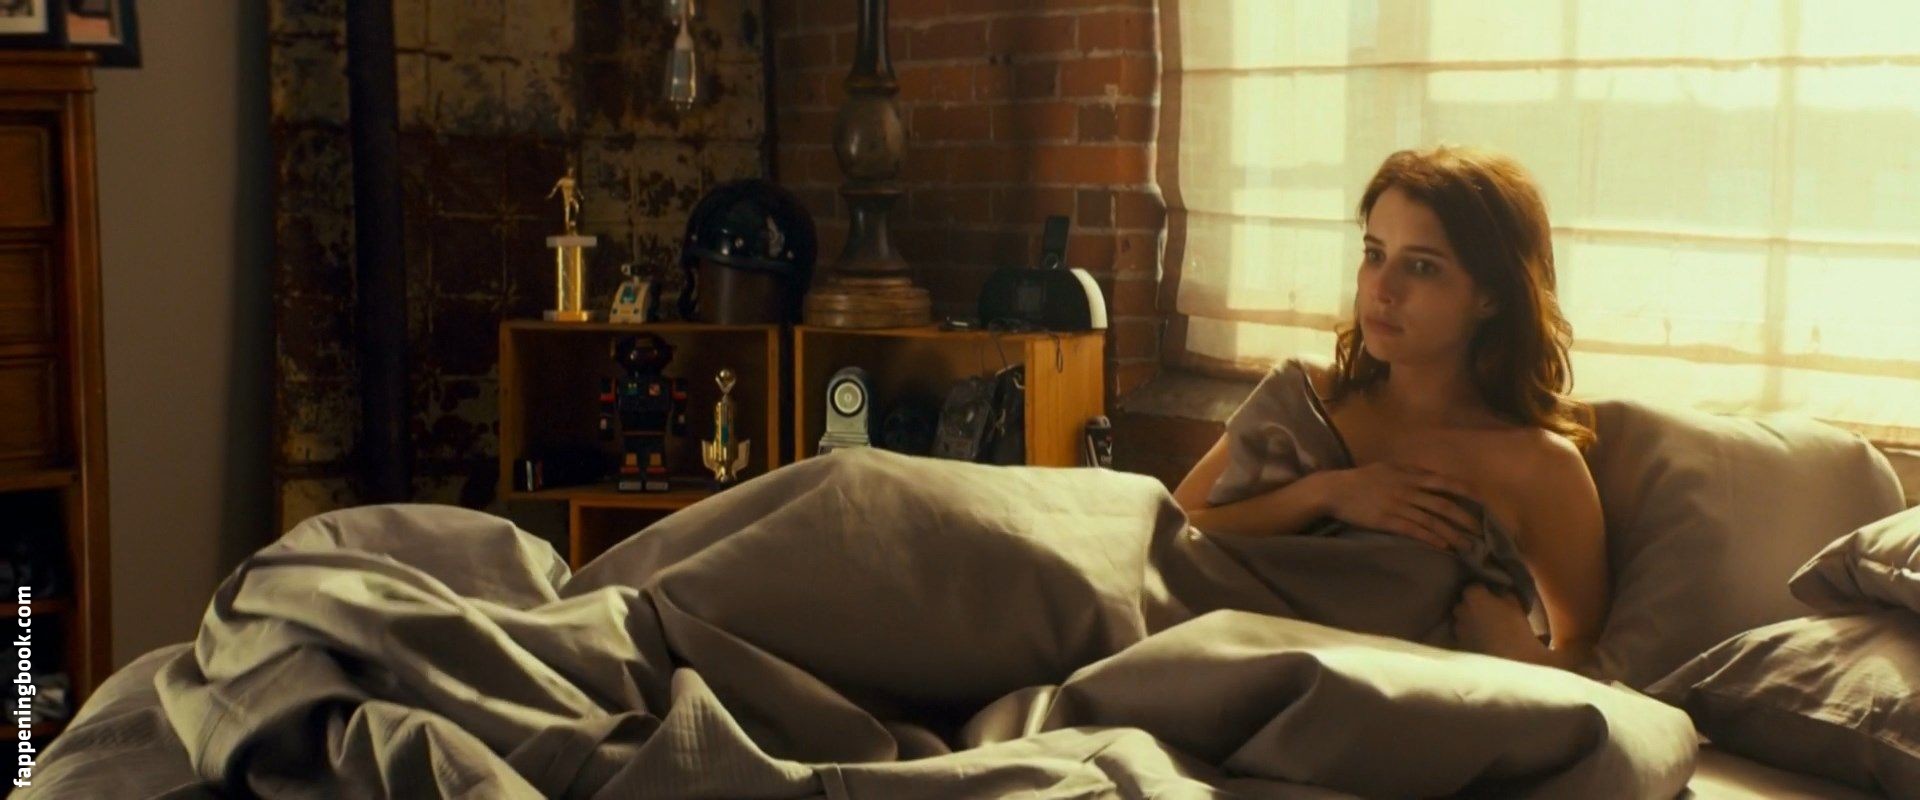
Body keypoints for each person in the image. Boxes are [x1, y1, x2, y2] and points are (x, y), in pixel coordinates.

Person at [1171, 146, 1608, 672]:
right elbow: (1163, 535)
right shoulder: (1302, 397)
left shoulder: (1540, 468)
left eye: (1422, 267)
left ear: (1491, 296)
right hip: (1197, 659)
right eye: (1374, 254)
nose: (1381, 289)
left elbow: (1592, 656)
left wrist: (1522, 653)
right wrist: (1325, 494)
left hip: (1356, 704)